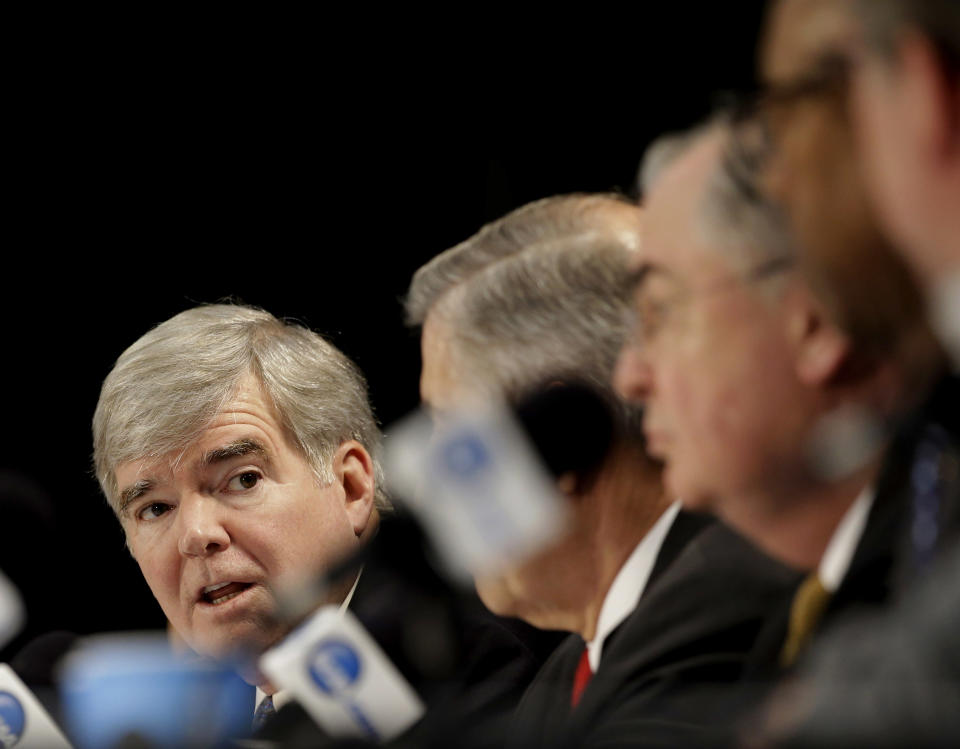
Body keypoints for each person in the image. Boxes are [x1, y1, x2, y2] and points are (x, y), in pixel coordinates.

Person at [406, 194, 798, 748]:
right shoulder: (564, 677)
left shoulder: (720, 616)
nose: (428, 477)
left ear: (557, 439)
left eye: (449, 425)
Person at [92, 303, 539, 745]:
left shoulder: (455, 669)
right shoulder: (198, 722)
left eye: (243, 480)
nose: (196, 534)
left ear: (351, 487)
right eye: (154, 509)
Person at [614, 117, 944, 683]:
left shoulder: (935, 597)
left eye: (661, 311)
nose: (630, 376)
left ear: (816, 320)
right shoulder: (796, 630)